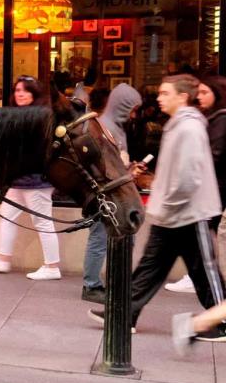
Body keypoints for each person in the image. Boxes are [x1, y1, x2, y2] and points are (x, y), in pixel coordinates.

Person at [89, 74, 225, 332]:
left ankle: (221, 320)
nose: (159, 98)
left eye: (165, 93)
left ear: (182, 96)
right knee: (151, 267)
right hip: (172, 213)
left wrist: (163, 198)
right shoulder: (179, 124)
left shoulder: (189, 127)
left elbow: (188, 176)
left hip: (189, 213)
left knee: (204, 270)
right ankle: (123, 315)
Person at [0, 76, 62, 280]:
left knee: (42, 222)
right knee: (7, 215)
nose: (20, 94)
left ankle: (52, 266)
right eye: (17, 90)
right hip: (22, 180)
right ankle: (2, 258)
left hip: (36, 180)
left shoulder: (41, 116)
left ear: (35, 93)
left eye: (26, 90)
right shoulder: (26, 115)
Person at [79, 82, 141, 304]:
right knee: (100, 237)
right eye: (132, 109)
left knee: (122, 239)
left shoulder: (114, 126)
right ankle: (92, 285)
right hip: (106, 193)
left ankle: (111, 283)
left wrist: (130, 168)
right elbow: (106, 164)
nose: (134, 115)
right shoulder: (105, 126)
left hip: (113, 191)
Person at [167, 75, 226, 294]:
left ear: (216, 94)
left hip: (214, 190)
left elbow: (213, 156)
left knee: (203, 238)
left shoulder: (219, 119)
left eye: (204, 93)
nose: (199, 97)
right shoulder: (206, 118)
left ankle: (213, 300)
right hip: (211, 189)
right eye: (198, 92)